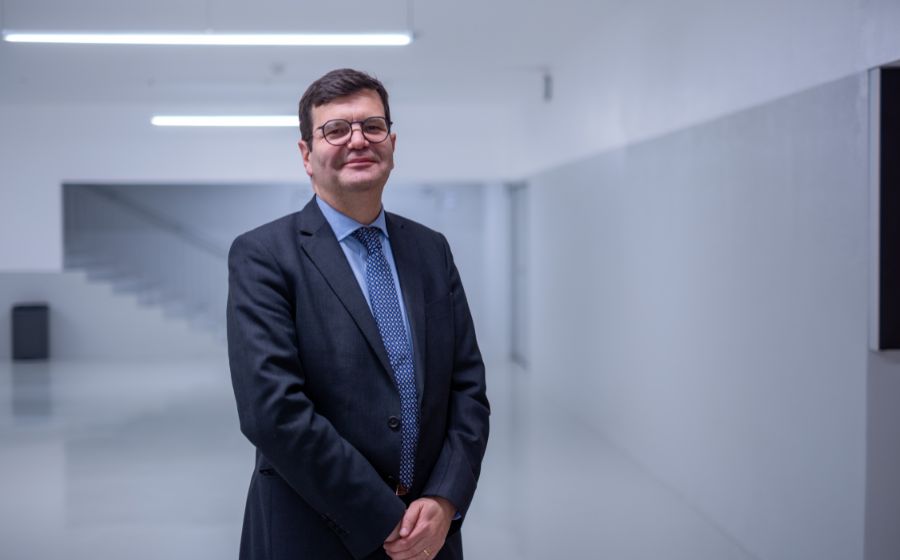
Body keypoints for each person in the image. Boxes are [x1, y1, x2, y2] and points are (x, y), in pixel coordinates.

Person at [226, 68, 490, 560]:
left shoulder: (430, 250)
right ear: (306, 154)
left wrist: (445, 497)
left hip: (429, 536)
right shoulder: (264, 255)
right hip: (313, 532)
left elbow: (467, 388)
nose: (358, 140)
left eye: (372, 126)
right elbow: (272, 412)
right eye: (335, 129)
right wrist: (382, 516)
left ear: (391, 143)